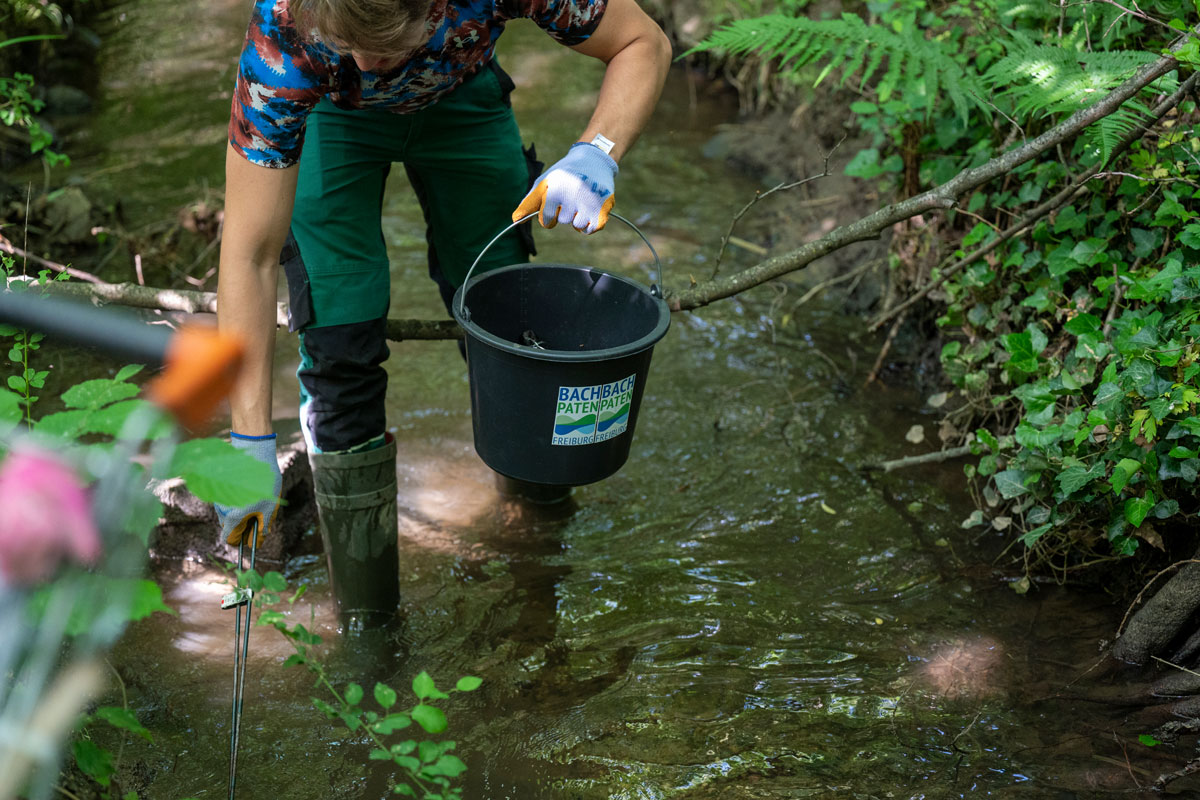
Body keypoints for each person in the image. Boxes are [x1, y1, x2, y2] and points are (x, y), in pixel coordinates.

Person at [212, 0, 672, 629]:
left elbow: (643, 42)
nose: (367, 65)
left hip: (461, 94)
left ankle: (542, 566)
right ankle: (367, 628)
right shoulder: (284, 35)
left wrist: (597, 151)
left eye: (385, 48)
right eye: (350, 46)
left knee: (516, 325)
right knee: (340, 340)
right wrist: (249, 441)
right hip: (330, 117)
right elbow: (250, 255)